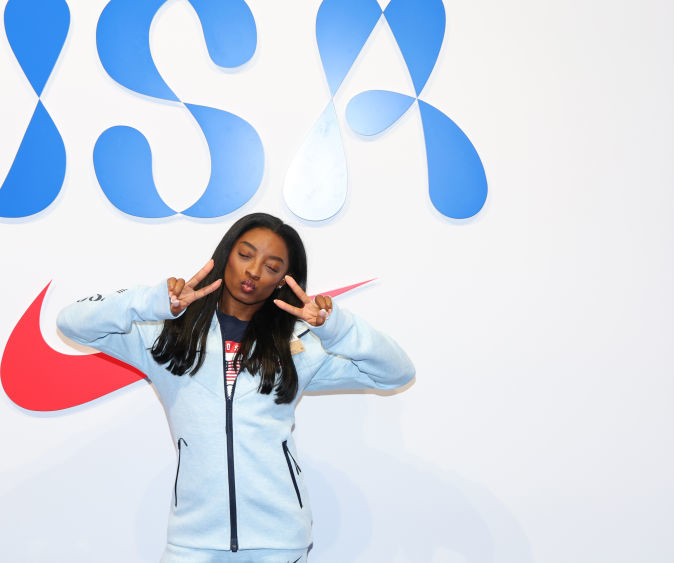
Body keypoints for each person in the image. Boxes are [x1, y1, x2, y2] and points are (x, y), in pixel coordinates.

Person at [56, 212, 415, 562]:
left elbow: (396, 372)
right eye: (245, 255)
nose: (254, 271)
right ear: (225, 254)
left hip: (278, 543)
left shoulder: (298, 344)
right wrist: (150, 302)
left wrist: (338, 328)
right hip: (193, 542)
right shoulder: (167, 336)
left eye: (272, 267)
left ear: (282, 280)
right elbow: (72, 323)